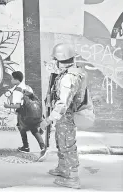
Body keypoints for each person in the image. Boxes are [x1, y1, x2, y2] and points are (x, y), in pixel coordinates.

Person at [39, 43, 88, 189]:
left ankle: (73, 177)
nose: (53, 61)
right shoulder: (69, 72)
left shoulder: (68, 78)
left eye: (55, 59)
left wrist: (48, 120)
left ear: (60, 59)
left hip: (65, 116)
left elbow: (63, 104)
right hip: (63, 117)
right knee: (61, 142)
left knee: (67, 145)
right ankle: (62, 168)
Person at [4, 71, 46, 156]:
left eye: (12, 78)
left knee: (22, 127)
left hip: (24, 115)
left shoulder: (17, 90)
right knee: (32, 129)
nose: (11, 80)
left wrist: (7, 106)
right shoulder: (27, 87)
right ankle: (39, 147)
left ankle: (28, 147)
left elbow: (18, 106)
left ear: (16, 80)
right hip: (34, 113)